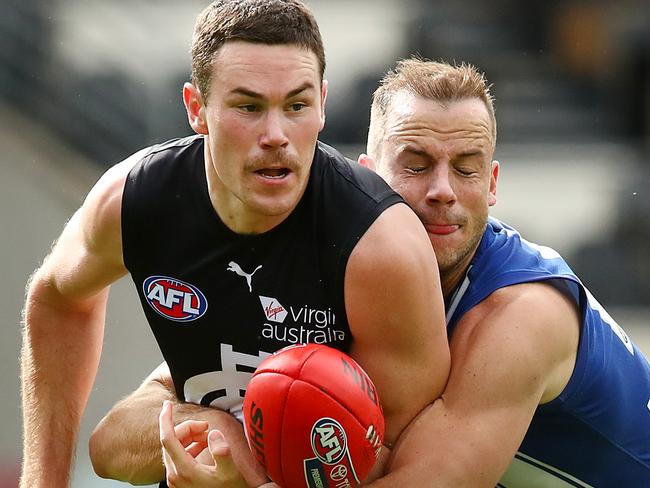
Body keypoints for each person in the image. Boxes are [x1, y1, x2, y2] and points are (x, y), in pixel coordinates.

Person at [93, 58, 650, 488]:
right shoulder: (346, 269)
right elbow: (112, 440)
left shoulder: (522, 314)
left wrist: (246, 477)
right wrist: (209, 430)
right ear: (366, 178)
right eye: (414, 165)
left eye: (466, 169)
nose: (441, 191)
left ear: (494, 184)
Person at [19, 2, 452, 487]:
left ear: (324, 104)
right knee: (111, 447)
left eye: (296, 106)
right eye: (249, 106)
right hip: (211, 443)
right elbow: (57, 300)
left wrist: (249, 478)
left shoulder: (380, 246)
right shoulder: (134, 199)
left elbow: (411, 461)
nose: (276, 136)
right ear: (196, 109)